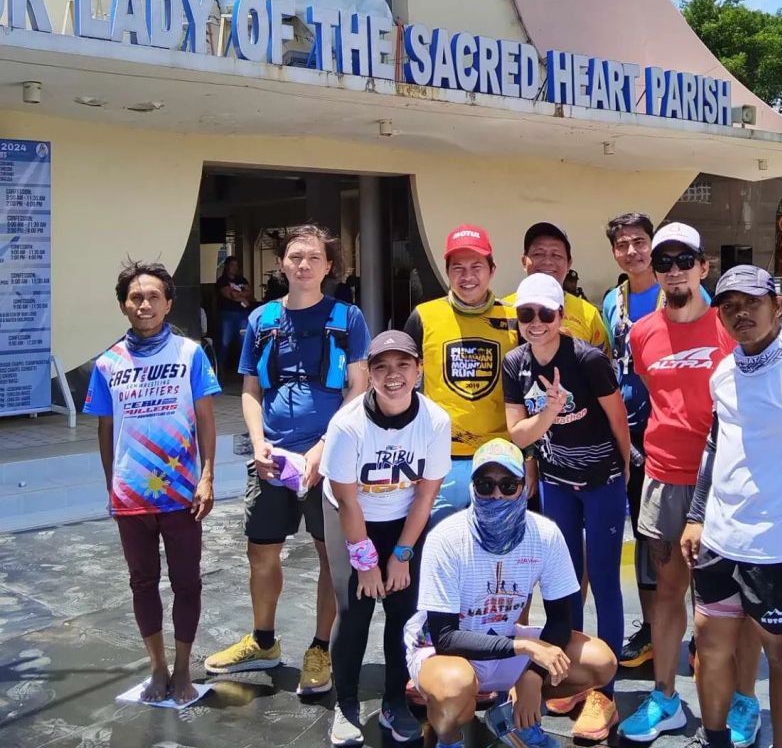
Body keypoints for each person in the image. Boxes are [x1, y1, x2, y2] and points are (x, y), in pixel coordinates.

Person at [679, 265, 782, 748]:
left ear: (778, 307)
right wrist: (696, 516)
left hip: (777, 547)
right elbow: (715, 445)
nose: (741, 314)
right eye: (730, 306)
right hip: (718, 540)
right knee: (710, 645)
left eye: (752, 303)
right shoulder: (723, 372)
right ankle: (714, 739)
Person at [205, 224, 371, 695]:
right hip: (273, 456)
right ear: (281, 263)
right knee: (261, 551)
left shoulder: (347, 317)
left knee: (329, 555)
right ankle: (263, 641)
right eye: (295, 256)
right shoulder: (262, 319)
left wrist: (324, 447)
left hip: (329, 458)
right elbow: (251, 388)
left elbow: (358, 388)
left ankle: (321, 648)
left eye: (314, 257)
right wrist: (258, 442)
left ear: (329, 265)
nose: (304, 265)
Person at [404, 439, 618, 748]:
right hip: (445, 652)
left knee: (601, 661)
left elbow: (561, 619)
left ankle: (513, 718)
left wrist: (533, 676)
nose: (496, 495)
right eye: (485, 485)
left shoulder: (545, 534)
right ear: (472, 488)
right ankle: (449, 738)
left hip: (505, 641)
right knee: (454, 688)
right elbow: (445, 637)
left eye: (507, 485)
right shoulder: (446, 539)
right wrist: (525, 648)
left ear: (523, 487)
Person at [619, 222, 735, 743]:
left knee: (725, 603)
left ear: (703, 267)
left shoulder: (728, 326)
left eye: (684, 260)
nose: (673, 271)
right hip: (663, 478)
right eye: (663, 262)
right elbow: (655, 393)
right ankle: (665, 697)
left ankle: (733, 703)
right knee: (668, 594)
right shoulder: (641, 333)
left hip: (726, 482)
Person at [85, 261, 220, 704]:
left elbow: (205, 418)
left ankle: (183, 669)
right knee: (142, 583)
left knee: (187, 583)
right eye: (136, 298)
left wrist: (207, 476)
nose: (144, 305)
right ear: (123, 306)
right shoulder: (107, 363)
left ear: (168, 304)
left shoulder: (189, 354)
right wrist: (112, 485)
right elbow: (105, 429)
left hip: (182, 493)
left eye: (153, 297)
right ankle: (158, 668)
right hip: (131, 496)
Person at [503, 273, 631, 741]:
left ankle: (605, 694)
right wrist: (551, 411)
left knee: (605, 580)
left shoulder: (588, 359)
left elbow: (617, 417)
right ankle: (572, 676)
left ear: (560, 316)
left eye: (545, 313)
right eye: (526, 314)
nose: (535, 323)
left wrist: (623, 470)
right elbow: (517, 433)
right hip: (557, 484)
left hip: (601, 481)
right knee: (564, 582)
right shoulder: (515, 363)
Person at [320, 330, 452, 747]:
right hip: (351, 515)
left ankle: (395, 700)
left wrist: (401, 554)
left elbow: (426, 495)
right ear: (369, 373)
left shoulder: (435, 421)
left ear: (419, 370)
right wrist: (366, 563)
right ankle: (345, 703)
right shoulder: (347, 425)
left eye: (402, 365)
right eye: (381, 366)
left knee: (404, 609)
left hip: (403, 517)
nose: (393, 375)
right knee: (354, 608)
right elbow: (346, 500)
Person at [404, 225, 519, 518]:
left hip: (500, 457)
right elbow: (403, 386)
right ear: (447, 272)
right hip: (441, 459)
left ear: (492, 270)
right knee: (439, 541)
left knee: (498, 541)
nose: (467, 276)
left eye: (476, 267)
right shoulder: (424, 317)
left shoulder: (514, 317)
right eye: (458, 268)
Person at [600, 212, 663, 666]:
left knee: (680, 536)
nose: (632, 251)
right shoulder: (612, 300)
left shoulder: (679, 289)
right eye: (622, 245)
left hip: (673, 429)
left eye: (640, 241)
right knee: (642, 534)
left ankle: (698, 633)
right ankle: (652, 630)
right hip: (629, 430)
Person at [511, 222, 608, 352]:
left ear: (569, 264)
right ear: (524, 261)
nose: (547, 262)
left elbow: (602, 361)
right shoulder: (504, 310)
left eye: (556, 255)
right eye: (538, 254)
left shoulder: (589, 314)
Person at [216, 256, 252, 370]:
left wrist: (238, 295)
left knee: (244, 341)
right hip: (227, 315)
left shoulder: (242, 279)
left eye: (236, 265)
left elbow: (249, 292)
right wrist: (242, 297)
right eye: (232, 265)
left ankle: (244, 369)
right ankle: (219, 369)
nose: (235, 268)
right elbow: (229, 295)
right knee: (224, 342)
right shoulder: (222, 280)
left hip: (243, 314)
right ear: (227, 266)